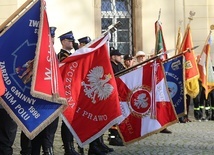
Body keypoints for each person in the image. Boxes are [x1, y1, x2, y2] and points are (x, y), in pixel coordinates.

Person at [58, 31, 80, 155]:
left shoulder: (70, 54)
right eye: (69, 41)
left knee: (71, 120)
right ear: (63, 42)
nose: (72, 42)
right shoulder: (62, 55)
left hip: (72, 91)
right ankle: (68, 148)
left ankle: (71, 146)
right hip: (66, 92)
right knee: (67, 120)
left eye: (72, 41)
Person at [108, 47, 125, 146]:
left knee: (119, 116)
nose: (120, 57)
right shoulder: (110, 66)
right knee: (113, 117)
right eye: (118, 55)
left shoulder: (119, 65)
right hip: (113, 93)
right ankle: (112, 137)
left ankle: (117, 136)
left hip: (120, 94)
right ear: (113, 57)